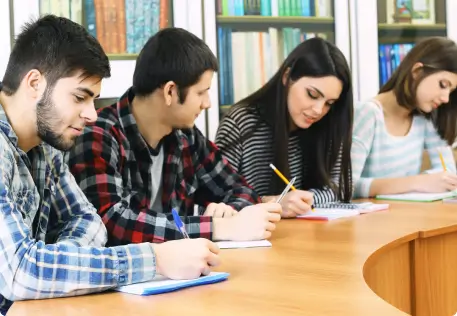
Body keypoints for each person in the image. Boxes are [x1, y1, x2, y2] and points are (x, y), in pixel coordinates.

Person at [0, 15, 224, 315]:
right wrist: (154, 259)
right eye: (80, 97)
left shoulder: (46, 144)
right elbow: (21, 271)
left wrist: (61, 261)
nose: (92, 114)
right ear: (35, 83)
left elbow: (89, 221)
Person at [67, 27, 282, 247]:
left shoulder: (185, 136)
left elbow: (242, 190)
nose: (207, 103)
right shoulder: (98, 135)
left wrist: (228, 212)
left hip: (185, 271)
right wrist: (218, 227)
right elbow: (110, 223)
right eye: (201, 92)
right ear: (170, 92)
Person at [215, 37, 354, 219]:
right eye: (312, 95)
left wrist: (305, 200)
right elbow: (215, 206)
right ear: (287, 77)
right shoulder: (240, 124)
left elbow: (341, 188)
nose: (319, 110)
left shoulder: (327, 123)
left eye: (329, 103)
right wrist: (272, 202)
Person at [351, 36, 457, 198]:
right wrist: (417, 182)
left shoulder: (426, 117)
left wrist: (434, 179)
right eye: (443, 85)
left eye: (450, 91)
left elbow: (447, 171)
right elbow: (346, 185)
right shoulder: (368, 113)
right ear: (417, 71)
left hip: (408, 217)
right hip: (369, 221)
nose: (445, 98)